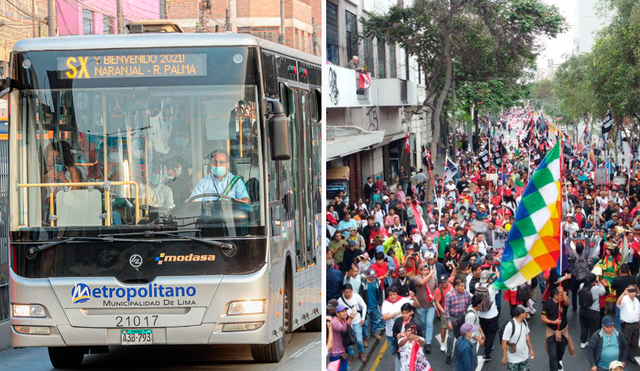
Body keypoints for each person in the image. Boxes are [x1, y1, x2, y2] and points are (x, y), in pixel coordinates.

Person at [382, 286, 419, 370]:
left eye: (394, 294)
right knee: (393, 350)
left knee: (402, 351)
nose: (392, 296)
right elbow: (384, 317)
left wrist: (413, 297)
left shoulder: (403, 300)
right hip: (390, 333)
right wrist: (397, 313)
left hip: (402, 333)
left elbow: (416, 304)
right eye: (390, 295)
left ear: (397, 294)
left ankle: (403, 364)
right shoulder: (385, 303)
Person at [541, 286, 574, 371]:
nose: (562, 296)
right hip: (551, 332)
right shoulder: (547, 304)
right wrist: (554, 322)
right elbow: (543, 318)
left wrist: (562, 291)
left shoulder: (563, 303)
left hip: (563, 331)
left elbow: (568, 302)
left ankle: (559, 360)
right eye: (560, 294)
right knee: (552, 355)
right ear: (555, 295)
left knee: (561, 350)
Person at [444, 278, 472, 364]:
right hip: (453, 318)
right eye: (461, 286)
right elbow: (446, 310)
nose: (463, 288)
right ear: (455, 286)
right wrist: (448, 321)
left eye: (463, 286)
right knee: (451, 337)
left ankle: (461, 354)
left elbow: (469, 304)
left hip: (462, 317)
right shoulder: (449, 295)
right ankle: (449, 355)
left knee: (462, 337)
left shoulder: (466, 293)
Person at [338, 283, 368, 363]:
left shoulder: (356, 296)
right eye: (346, 292)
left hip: (357, 321)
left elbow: (364, 306)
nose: (348, 294)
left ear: (352, 291)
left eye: (349, 292)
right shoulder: (340, 300)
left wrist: (363, 318)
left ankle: (361, 352)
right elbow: (338, 313)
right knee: (349, 341)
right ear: (343, 292)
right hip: (347, 323)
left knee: (359, 340)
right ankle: (351, 355)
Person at [501, 305, 534, 371]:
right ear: (521, 314)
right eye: (525, 312)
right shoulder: (510, 326)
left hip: (524, 357)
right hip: (513, 359)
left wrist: (531, 350)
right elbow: (504, 342)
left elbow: (527, 336)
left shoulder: (524, 322)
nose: (526, 313)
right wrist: (505, 357)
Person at [580, 273, 608, 349]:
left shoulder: (582, 285)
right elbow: (603, 291)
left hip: (582, 310)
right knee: (594, 328)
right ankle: (592, 344)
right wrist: (599, 283)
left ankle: (583, 342)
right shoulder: (595, 288)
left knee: (584, 327)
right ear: (593, 281)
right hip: (593, 311)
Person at [616, 285, 640, 365]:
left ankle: (631, 356)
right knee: (626, 342)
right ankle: (622, 356)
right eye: (631, 291)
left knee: (634, 342)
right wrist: (623, 293)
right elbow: (618, 304)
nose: (633, 293)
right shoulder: (624, 299)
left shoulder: (636, 300)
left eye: (634, 291)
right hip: (627, 325)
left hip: (636, 324)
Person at [360, 269, 384, 346]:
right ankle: (365, 338)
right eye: (371, 277)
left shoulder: (377, 282)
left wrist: (380, 303)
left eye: (373, 276)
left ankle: (373, 333)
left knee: (375, 321)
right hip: (366, 307)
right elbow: (361, 295)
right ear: (367, 276)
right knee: (365, 324)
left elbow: (380, 293)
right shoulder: (364, 284)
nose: (372, 278)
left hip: (374, 306)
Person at [329, 305, 354, 371]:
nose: (345, 312)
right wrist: (350, 319)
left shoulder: (344, 320)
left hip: (343, 351)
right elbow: (343, 329)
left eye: (345, 311)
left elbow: (349, 327)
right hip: (335, 353)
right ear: (337, 313)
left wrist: (349, 324)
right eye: (342, 311)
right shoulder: (334, 322)